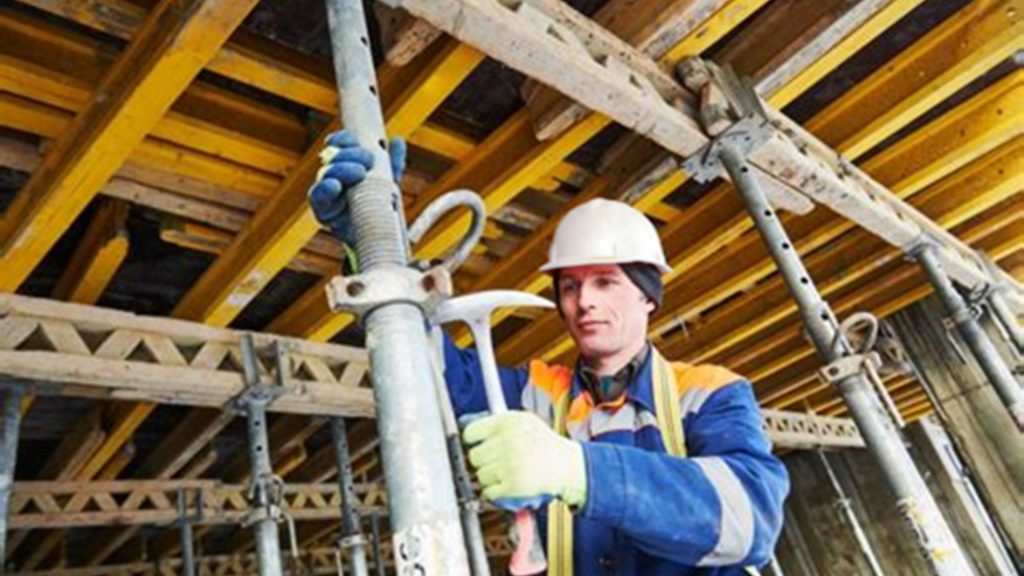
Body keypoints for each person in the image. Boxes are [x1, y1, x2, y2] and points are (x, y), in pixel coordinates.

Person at [310, 130, 789, 575]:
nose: (585, 301)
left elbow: (750, 515)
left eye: (606, 282)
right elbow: (424, 371)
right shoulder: (535, 394)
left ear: (648, 295)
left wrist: (575, 469)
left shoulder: (707, 392)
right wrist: (376, 252)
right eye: (570, 286)